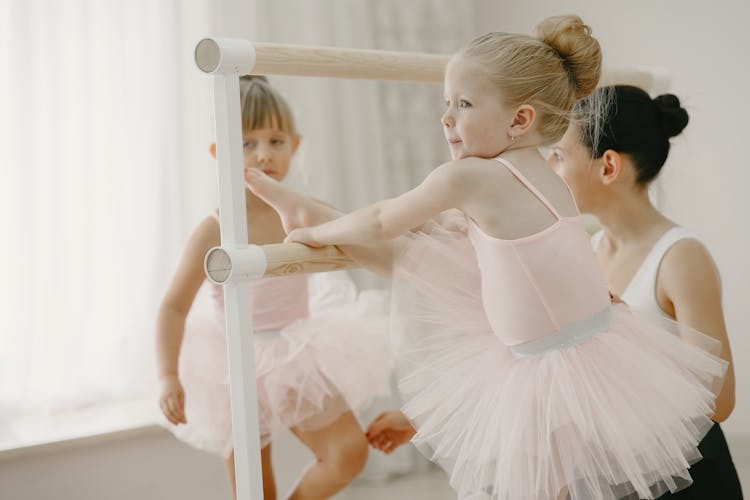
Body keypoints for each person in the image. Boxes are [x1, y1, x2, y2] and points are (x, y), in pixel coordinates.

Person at [246, 15, 727, 500]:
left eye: (464, 104)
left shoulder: (470, 178)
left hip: (543, 365)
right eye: (446, 104)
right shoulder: (545, 175)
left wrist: (316, 231)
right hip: (591, 349)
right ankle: (300, 205)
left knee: (545, 488)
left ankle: (303, 211)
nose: (447, 118)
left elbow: (380, 221)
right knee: (424, 256)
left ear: (519, 119)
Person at [155, 76, 391, 500]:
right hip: (235, 364)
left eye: (275, 141)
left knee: (348, 453)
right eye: (247, 144)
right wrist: (168, 376)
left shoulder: (301, 212)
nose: (264, 155)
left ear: (294, 145)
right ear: (219, 153)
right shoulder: (214, 229)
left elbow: (357, 234)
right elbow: (173, 307)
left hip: (296, 350)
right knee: (252, 487)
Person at [548, 84, 741, 499]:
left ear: (608, 166)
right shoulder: (591, 249)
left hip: (686, 476)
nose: (549, 166)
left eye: (560, 155)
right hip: (617, 469)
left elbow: (720, 402)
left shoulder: (680, 257)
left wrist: (633, 332)